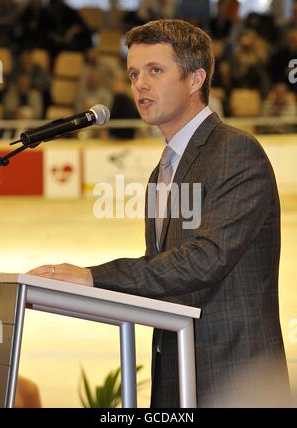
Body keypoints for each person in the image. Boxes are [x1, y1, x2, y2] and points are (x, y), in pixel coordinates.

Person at [28, 19, 290, 407]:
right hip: (178, 376)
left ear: (196, 78)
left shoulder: (236, 152)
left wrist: (94, 278)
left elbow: (204, 260)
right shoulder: (161, 172)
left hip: (236, 380)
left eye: (155, 70)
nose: (139, 84)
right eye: (134, 73)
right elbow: (161, 271)